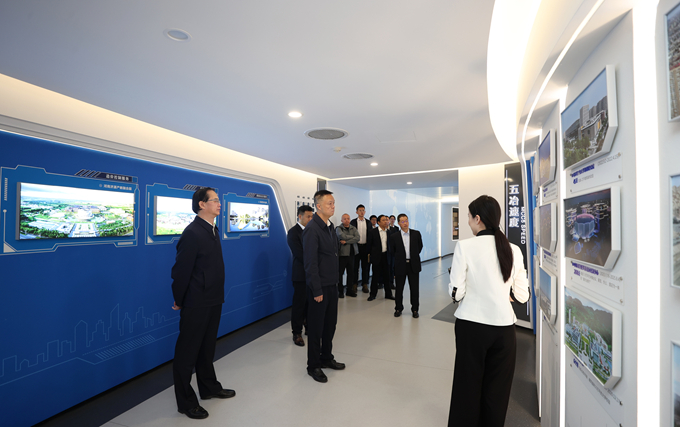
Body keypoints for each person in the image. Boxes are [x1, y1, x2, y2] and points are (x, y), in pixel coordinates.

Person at [447, 195, 529, 427]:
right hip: (504, 329)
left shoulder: (465, 246)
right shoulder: (513, 249)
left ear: (478, 218)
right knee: (497, 391)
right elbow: (522, 296)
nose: (468, 222)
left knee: (467, 386)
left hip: (471, 326)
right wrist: (503, 296)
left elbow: (456, 293)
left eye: (469, 217)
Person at [171, 187, 235, 420]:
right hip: (196, 301)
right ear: (201, 204)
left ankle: (209, 387)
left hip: (213, 298)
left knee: (207, 348)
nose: (219, 204)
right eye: (215, 200)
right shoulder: (192, 232)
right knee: (187, 353)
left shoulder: (212, 229)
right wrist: (180, 299)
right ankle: (186, 402)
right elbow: (181, 271)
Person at [303, 190, 345, 383]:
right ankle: (313, 365)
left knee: (330, 325)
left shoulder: (329, 226)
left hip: (331, 284)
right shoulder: (312, 229)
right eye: (329, 203)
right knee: (316, 328)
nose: (333, 206)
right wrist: (317, 289)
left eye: (334, 203)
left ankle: (326, 357)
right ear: (318, 206)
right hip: (319, 288)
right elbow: (310, 263)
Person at [287, 205, 314, 346]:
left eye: (312, 216)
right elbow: (300, 254)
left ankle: (309, 326)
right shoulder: (293, 232)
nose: (310, 219)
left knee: (311, 303)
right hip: (300, 274)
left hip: (312, 274)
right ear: (300, 216)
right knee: (299, 304)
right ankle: (296, 333)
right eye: (308, 216)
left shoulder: (312, 230)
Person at [389, 214, 423, 318]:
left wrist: (413, 256)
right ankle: (398, 308)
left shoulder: (416, 234)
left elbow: (419, 247)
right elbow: (392, 251)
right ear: (399, 223)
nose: (405, 223)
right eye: (402, 221)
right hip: (400, 265)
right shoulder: (394, 236)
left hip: (413, 265)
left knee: (414, 289)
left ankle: (415, 309)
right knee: (399, 289)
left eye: (406, 220)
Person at [367, 215, 394, 301]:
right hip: (376, 257)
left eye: (386, 220)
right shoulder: (372, 232)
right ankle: (372, 294)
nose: (386, 221)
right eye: (383, 220)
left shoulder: (389, 232)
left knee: (387, 276)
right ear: (378, 222)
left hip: (386, 256)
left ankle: (388, 294)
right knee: (375, 276)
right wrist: (371, 256)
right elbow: (369, 245)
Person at [336, 213, 360, 298]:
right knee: (340, 274)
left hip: (352, 254)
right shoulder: (338, 228)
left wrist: (346, 241)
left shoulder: (353, 228)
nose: (347, 220)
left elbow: (357, 238)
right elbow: (341, 236)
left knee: (351, 273)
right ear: (341, 220)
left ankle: (349, 290)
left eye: (348, 218)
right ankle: (340, 291)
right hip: (342, 254)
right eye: (345, 219)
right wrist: (352, 237)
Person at [350, 205, 371, 294]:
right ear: (356, 212)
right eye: (360, 210)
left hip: (365, 247)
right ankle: (354, 284)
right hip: (356, 247)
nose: (362, 212)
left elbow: (370, 236)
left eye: (363, 210)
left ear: (365, 212)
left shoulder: (368, 222)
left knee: (365, 267)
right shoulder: (353, 222)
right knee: (355, 267)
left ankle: (365, 284)